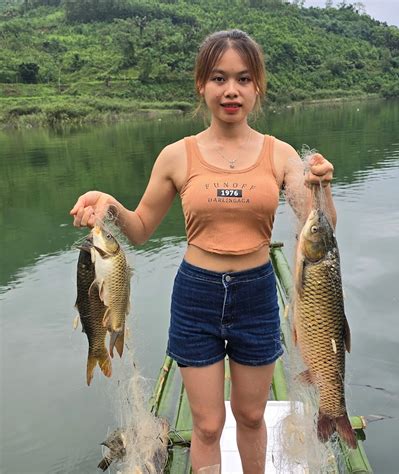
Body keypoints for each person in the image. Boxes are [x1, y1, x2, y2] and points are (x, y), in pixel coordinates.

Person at [70, 29, 336, 474]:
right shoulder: (177, 155)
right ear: (201, 85)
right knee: (208, 426)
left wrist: (322, 185)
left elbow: (322, 229)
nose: (231, 90)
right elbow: (140, 229)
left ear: (257, 87)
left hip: (256, 295)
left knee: (250, 416)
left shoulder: (280, 154)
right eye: (219, 78)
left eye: (243, 79)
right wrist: (110, 204)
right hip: (197, 295)